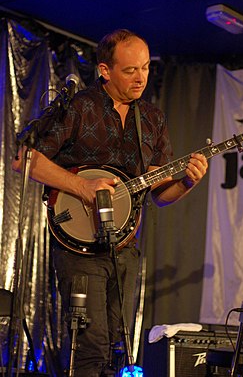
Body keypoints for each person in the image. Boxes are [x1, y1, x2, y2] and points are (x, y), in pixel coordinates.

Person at [12, 29, 208, 376]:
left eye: (146, 68)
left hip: (124, 246)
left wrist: (189, 181)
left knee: (118, 344)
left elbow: (161, 195)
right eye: (130, 70)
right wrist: (81, 187)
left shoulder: (152, 119)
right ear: (105, 70)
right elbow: (25, 159)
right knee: (93, 343)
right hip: (78, 245)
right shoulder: (79, 106)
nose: (141, 77)